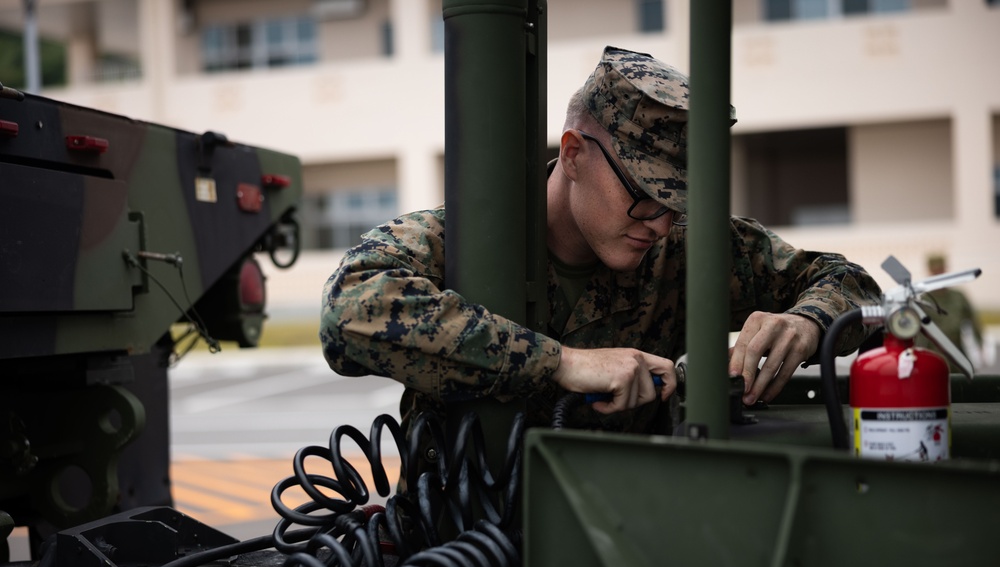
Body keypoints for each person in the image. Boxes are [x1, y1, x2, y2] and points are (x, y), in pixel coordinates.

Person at [320, 46, 882, 436]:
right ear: (572, 153)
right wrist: (560, 363)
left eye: (678, 204)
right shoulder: (465, 237)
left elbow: (853, 284)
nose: (660, 224)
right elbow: (348, 310)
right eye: (644, 193)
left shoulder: (681, 247)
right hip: (461, 558)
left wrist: (808, 320)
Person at [915, 253, 984, 371]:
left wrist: (980, 345)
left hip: (957, 353)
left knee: (966, 382)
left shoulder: (958, 297)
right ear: (930, 272)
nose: (938, 274)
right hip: (933, 356)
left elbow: (972, 320)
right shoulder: (924, 301)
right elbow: (916, 331)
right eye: (935, 272)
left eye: (940, 271)